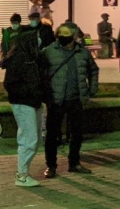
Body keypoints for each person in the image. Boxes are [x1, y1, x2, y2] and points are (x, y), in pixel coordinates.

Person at [41, 24, 100, 178]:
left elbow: (93, 70)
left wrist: (92, 89)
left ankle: (74, 163)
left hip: (76, 99)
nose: (62, 36)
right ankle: (51, 166)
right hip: (56, 100)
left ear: (74, 36)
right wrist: (45, 96)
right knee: (52, 135)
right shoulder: (48, 52)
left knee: (77, 133)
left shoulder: (83, 53)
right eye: (60, 33)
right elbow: (41, 74)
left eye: (66, 34)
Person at [1, 31, 46, 187]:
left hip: (34, 102)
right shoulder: (19, 59)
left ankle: (23, 172)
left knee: (35, 138)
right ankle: (21, 174)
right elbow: (10, 84)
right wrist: (30, 92)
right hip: (24, 102)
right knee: (30, 139)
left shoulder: (32, 58)